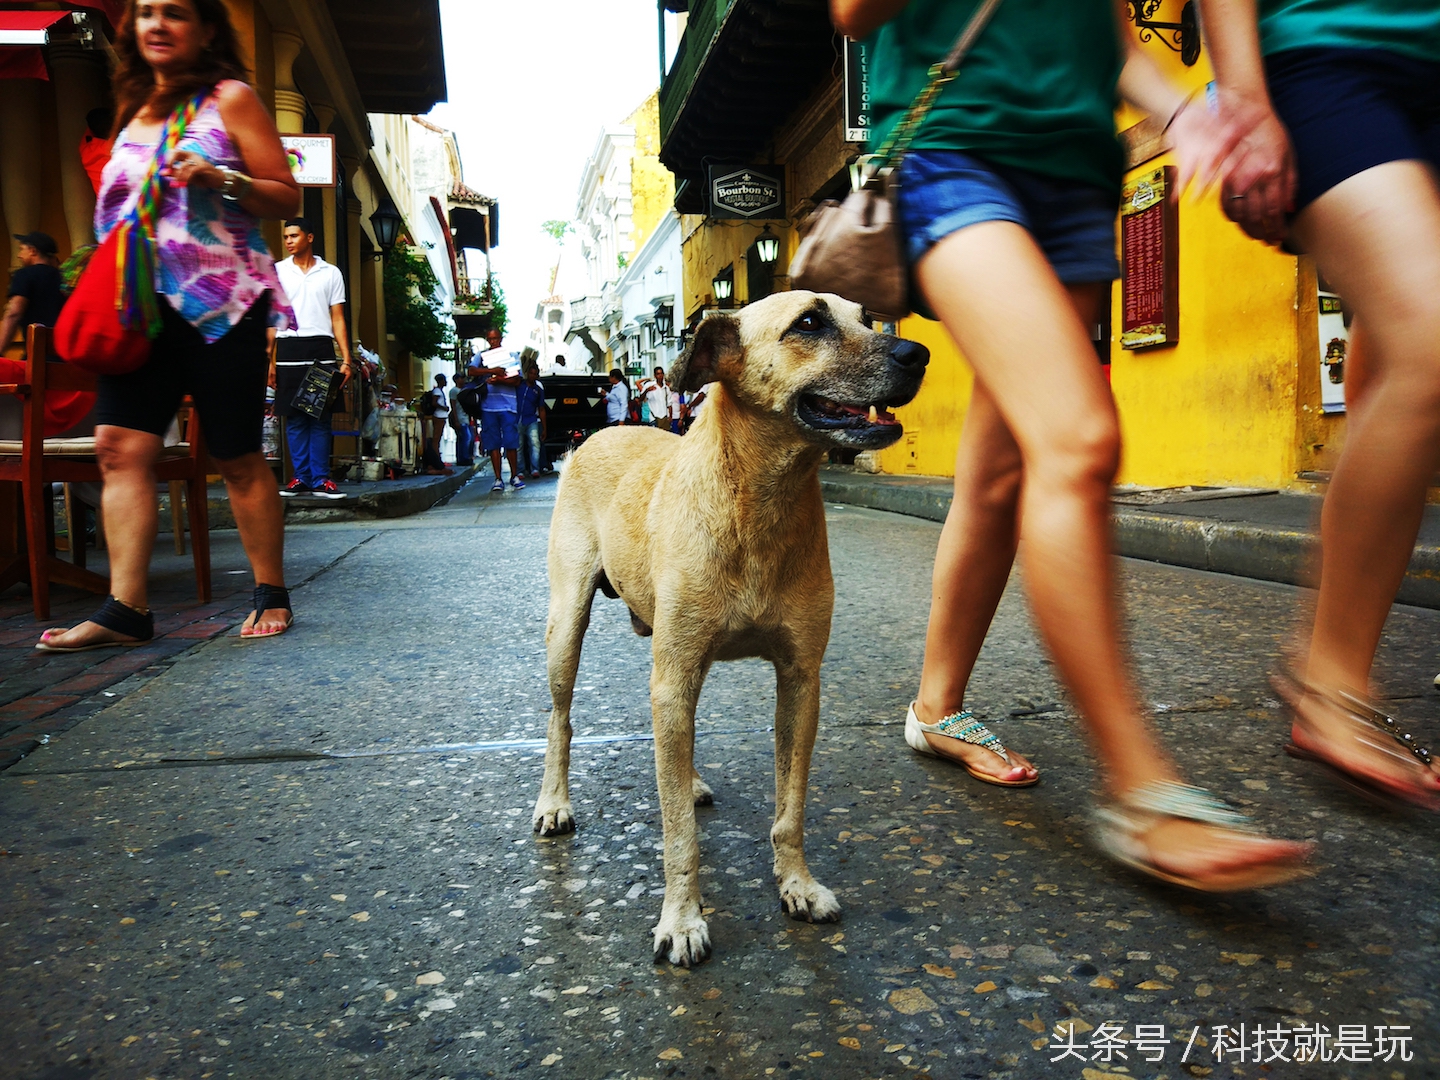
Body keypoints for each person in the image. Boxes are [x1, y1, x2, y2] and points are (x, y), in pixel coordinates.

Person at [832, 0, 1312, 890]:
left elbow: (1115, 40)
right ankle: (1143, 792)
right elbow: (855, 14)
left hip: (1075, 179)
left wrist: (1189, 117)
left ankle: (935, 708)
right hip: (956, 154)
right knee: (1077, 439)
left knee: (1002, 469)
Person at [1202, 0, 1440, 810]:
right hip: (1327, 54)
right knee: (1433, 341)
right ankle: (1329, 680)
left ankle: (1339, 670)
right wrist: (1241, 96)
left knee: (1396, 365)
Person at [36, 0, 300, 650]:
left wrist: (221, 177)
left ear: (205, 30)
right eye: (146, 12)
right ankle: (127, 609)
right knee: (120, 450)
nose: (157, 24)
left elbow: (285, 193)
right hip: (139, 307)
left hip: (221, 306)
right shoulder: (132, 116)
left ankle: (271, 591)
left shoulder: (230, 98)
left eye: (174, 12)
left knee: (234, 454)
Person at [272, 217, 351, 499]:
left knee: (320, 418)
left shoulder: (331, 273)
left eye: (294, 235)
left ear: (309, 237)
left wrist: (346, 359)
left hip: (321, 349)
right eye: (285, 237)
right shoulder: (278, 271)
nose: (288, 241)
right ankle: (301, 478)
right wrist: (269, 361)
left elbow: (338, 317)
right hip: (288, 348)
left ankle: (321, 478)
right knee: (294, 418)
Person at [474, 330, 524, 491]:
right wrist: (492, 371)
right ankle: (498, 478)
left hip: (508, 406)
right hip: (488, 406)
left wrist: (499, 380)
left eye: (495, 338)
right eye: (490, 339)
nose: (493, 341)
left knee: (511, 442)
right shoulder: (481, 356)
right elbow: (471, 371)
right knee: (493, 443)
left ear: (500, 339)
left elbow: (516, 381)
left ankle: (514, 476)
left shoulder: (511, 355)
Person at [2, 232, 64, 358]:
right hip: (65, 355)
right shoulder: (65, 278)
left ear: (33, 251)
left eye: (21, 249)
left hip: (37, 356)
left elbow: (14, 313)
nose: (19, 255)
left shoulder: (24, 275)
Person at [516, 361, 546, 478]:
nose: (532, 376)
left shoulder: (538, 390)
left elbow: (542, 409)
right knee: (519, 445)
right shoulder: (519, 385)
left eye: (535, 374)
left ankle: (535, 469)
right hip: (518, 419)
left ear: (537, 376)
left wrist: (544, 428)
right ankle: (520, 470)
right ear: (527, 374)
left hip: (531, 419)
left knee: (534, 444)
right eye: (531, 373)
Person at [448, 367, 475, 467]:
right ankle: (463, 458)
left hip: (466, 418)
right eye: (461, 378)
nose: (463, 380)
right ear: (456, 380)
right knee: (466, 438)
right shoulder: (454, 391)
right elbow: (453, 406)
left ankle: (463, 457)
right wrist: (456, 420)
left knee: (465, 438)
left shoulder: (464, 390)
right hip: (460, 418)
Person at [637, 366, 676, 431]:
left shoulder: (666, 388)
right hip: (653, 418)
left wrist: (670, 417)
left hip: (664, 418)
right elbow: (640, 399)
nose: (660, 376)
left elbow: (669, 404)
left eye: (661, 374)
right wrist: (646, 391)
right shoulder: (649, 385)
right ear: (655, 375)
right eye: (658, 374)